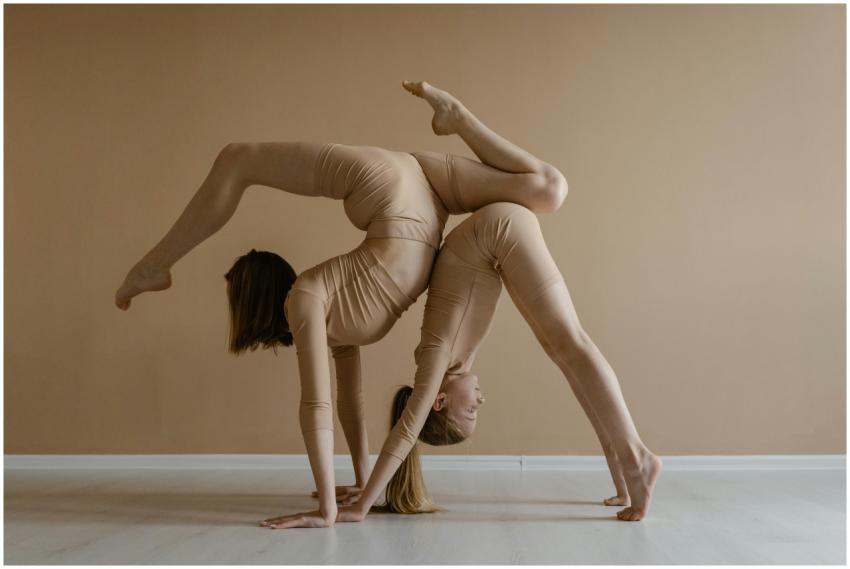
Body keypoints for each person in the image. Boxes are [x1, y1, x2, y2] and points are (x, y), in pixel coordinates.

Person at [114, 81, 568, 529]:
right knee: (547, 188)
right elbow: (347, 402)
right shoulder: (331, 312)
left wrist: (330, 508)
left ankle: (154, 266)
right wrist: (360, 484)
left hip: (403, 197)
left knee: (237, 159)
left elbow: (318, 404)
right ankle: (458, 119)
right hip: (416, 193)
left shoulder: (307, 298)